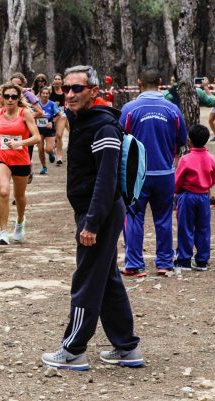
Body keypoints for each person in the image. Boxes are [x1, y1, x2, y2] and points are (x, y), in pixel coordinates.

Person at [41, 65, 143, 371]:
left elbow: (107, 179)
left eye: (77, 89)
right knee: (107, 278)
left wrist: (92, 223)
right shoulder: (83, 117)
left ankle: (73, 350)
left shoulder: (104, 127)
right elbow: (63, 112)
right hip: (93, 211)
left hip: (99, 212)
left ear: (93, 92)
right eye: (66, 89)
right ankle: (127, 348)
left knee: (86, 279)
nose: (69, 94)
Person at [119, 68, 187, 277]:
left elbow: (120, 138)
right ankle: (164, 263)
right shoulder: (173, 110)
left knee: (133, 217)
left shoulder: (129, 109)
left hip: (136, 176)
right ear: (160, 82)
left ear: (139, 83)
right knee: (163, 218)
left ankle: (134, 264)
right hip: (165, 173)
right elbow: (182, 140)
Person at [0, 83, 40, 245]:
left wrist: (20, 143)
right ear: (1, 97)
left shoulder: (25, 114)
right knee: (3, 191)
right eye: (7, 96)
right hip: (2, 157)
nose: (10, 100)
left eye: (14, 97)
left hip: (21, 160)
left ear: (18, 99)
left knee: (19, 196)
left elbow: (36, 137)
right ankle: (3, 232)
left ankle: (20, 221)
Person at [174, 124, 215, 271]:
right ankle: (202, 261)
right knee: (203, 228)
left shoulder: (185, 159)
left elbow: (177, 180)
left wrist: (176, 193)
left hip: (187, 196)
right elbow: (213, 179)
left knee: (185, 227)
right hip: (203, 196)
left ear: (190, 141)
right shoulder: (211, 158)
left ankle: (184, 260)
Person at [37, 87, 62, 174]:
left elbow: (59, 115)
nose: (45, 95)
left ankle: (51, 152)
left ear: (49, 95)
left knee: (47, 149)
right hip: (38, 129)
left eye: (47, 93)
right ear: (40, 94)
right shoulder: (36, 104)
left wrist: (52, 122)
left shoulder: (52, 104)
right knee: (40, 150)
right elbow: (31, 114)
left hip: (49, 129)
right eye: (43, 93)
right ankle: (44, 167)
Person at [50, 74, 67, 165]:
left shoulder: (65, 91)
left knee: (59, 135)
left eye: (58, 79)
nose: (57, 80)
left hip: (61, 114)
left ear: (61, 81)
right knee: (53, 137)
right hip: (50, 115)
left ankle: (59, 157)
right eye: (55, 79)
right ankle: (52, 148)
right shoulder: (49, 90)